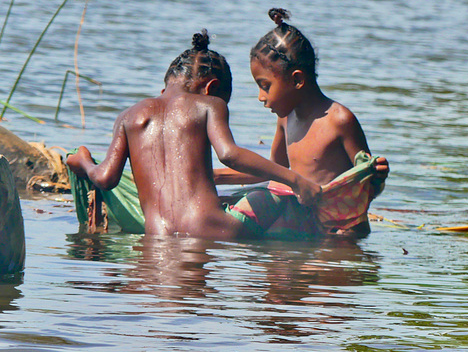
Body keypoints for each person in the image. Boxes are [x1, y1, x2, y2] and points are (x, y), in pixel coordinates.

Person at [66, 30, 321, 240]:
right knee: (274, 195)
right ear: (211, 89)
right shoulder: (208, 104)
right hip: (219, 233)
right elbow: (229, 154)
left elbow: (106, 178)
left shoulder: (128, 116)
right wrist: (295, 181)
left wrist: (83, 161)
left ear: (165, 86)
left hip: (158, 237)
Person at [215, 8, 389, 237]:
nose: (260, 97)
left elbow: (365, 186)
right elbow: (271, 172)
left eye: (265, 86)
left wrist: (377, 177)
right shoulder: (285, 119)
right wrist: (212, 175)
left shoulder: (339, 120)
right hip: (303, 226)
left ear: (297, 79)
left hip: (339, 233)